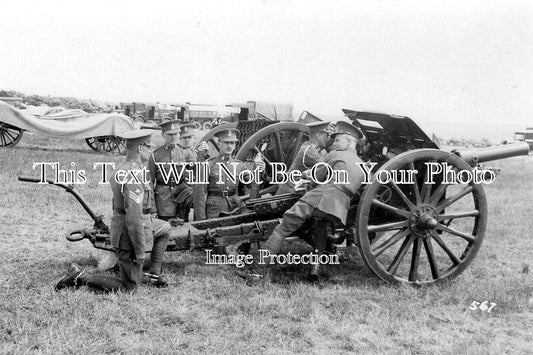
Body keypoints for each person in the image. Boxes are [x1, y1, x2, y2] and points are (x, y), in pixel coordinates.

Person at [237, 121, 365, 282]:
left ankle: (257, 273)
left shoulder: (335, 155)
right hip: (339, 208)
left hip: (320, 197)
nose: (335, 143)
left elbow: (318, 177)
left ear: (349, 141)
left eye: (338, 140)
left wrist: (309, 176)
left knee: (281, 230)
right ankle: (314, 271)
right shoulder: (362, 165)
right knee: (320, 224)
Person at [55, 130, 171, 292]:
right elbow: (134, 218)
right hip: (129, 236)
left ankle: (146, 277)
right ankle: (81, 276)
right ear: (139, 149)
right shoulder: (133, 174)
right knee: (129, 288)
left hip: (121, 229)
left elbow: (117, 204)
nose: (150, 150)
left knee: (133, 275)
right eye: (148, 147)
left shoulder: (123, 168)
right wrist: (139, 250)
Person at [193, 127, 264, 220]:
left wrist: (258, 169)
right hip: (214, 210)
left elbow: (252, 184)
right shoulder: (208, 165)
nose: (229, 146)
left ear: (235, 145)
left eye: (232, 143)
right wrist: (201, 220)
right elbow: (199, 195)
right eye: (226, 142)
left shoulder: (240, 165)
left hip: (235, 208)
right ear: (218, 144)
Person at [148, 119, 196, 221]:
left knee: (183, 230)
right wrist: (152, 209)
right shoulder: (155, 155)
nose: (173, 137)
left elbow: (196, 173)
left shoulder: (185, 152)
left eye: (176, 134)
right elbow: (149, 183)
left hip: (181, 200)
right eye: (170, 134)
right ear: (163, 134)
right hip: (163, 202)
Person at [275, 121, 333, 195]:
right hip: (289, 194)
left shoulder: (310, 147)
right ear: (318, 134)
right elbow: (328, 167)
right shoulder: (309, 151)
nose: (328, 138)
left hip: (295, 191)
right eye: (326, 135)